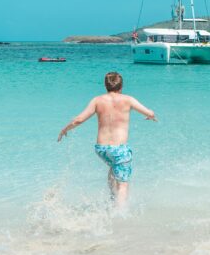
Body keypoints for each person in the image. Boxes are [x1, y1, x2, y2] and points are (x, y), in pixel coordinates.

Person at [57, 71, 157, 208]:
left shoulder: (97, 100)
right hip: (119, 150)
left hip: (102, 149)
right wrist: (151, 116)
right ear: (121, 86)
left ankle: (112, 198)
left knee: (113, 167)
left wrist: (65, 130)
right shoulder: (128, 100)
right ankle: (119, 212)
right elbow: (150, 113)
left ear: (106, 86)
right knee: (123, 185)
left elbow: (78, 120)